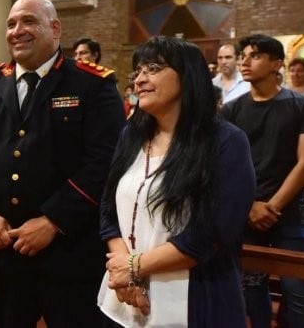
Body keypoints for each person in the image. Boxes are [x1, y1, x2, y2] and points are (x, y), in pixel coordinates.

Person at [0, 0, 126, 327]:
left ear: (55, 28)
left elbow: (104, 162)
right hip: (5, 252)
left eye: (29, 21)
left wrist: (53, 221)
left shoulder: (92, 84)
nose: (17, 30)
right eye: (11, 24)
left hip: (70, 254)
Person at [97, 36, 256, 326]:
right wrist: (125, 273)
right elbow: (108, 210)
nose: (139, 80)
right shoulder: (131, 135)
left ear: (188, 77)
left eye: (153, 68)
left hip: (196, 300)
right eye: (138, 71)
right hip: (126, 299)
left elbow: (212, 233)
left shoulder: (226, 141)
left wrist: (134, 267)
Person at [221, 34, 304, 328]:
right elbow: (224, 164)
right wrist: (249, 207)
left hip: (290, 210)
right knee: (251, 288)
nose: (244, 61)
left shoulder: (300, 105)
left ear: (276, 64)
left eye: (255, 55)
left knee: (298, 291)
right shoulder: (232, 110)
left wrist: (271, 206)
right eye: (243, 55)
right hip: (245, 212)